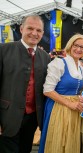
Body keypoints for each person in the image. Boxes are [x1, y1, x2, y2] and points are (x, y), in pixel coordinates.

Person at [0, 15, 51, 153]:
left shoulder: (45, 57)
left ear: (42, 33)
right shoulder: (3, 50)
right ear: (21, 29)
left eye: (38, 30)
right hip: (6, 117)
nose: (34, 33)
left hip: (32, 118)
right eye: (30, 28)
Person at [38, 34, 83, 153]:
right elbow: (47, 90)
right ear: (70, 46)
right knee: (58, 143)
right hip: (58, 108)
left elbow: (78, 90)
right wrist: (69, 103)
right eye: (76, 45)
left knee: (70, 143)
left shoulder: (81, 68)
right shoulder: (59, 63)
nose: (79, 49)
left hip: (74, 110)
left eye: (82, 47)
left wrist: (80, 98)